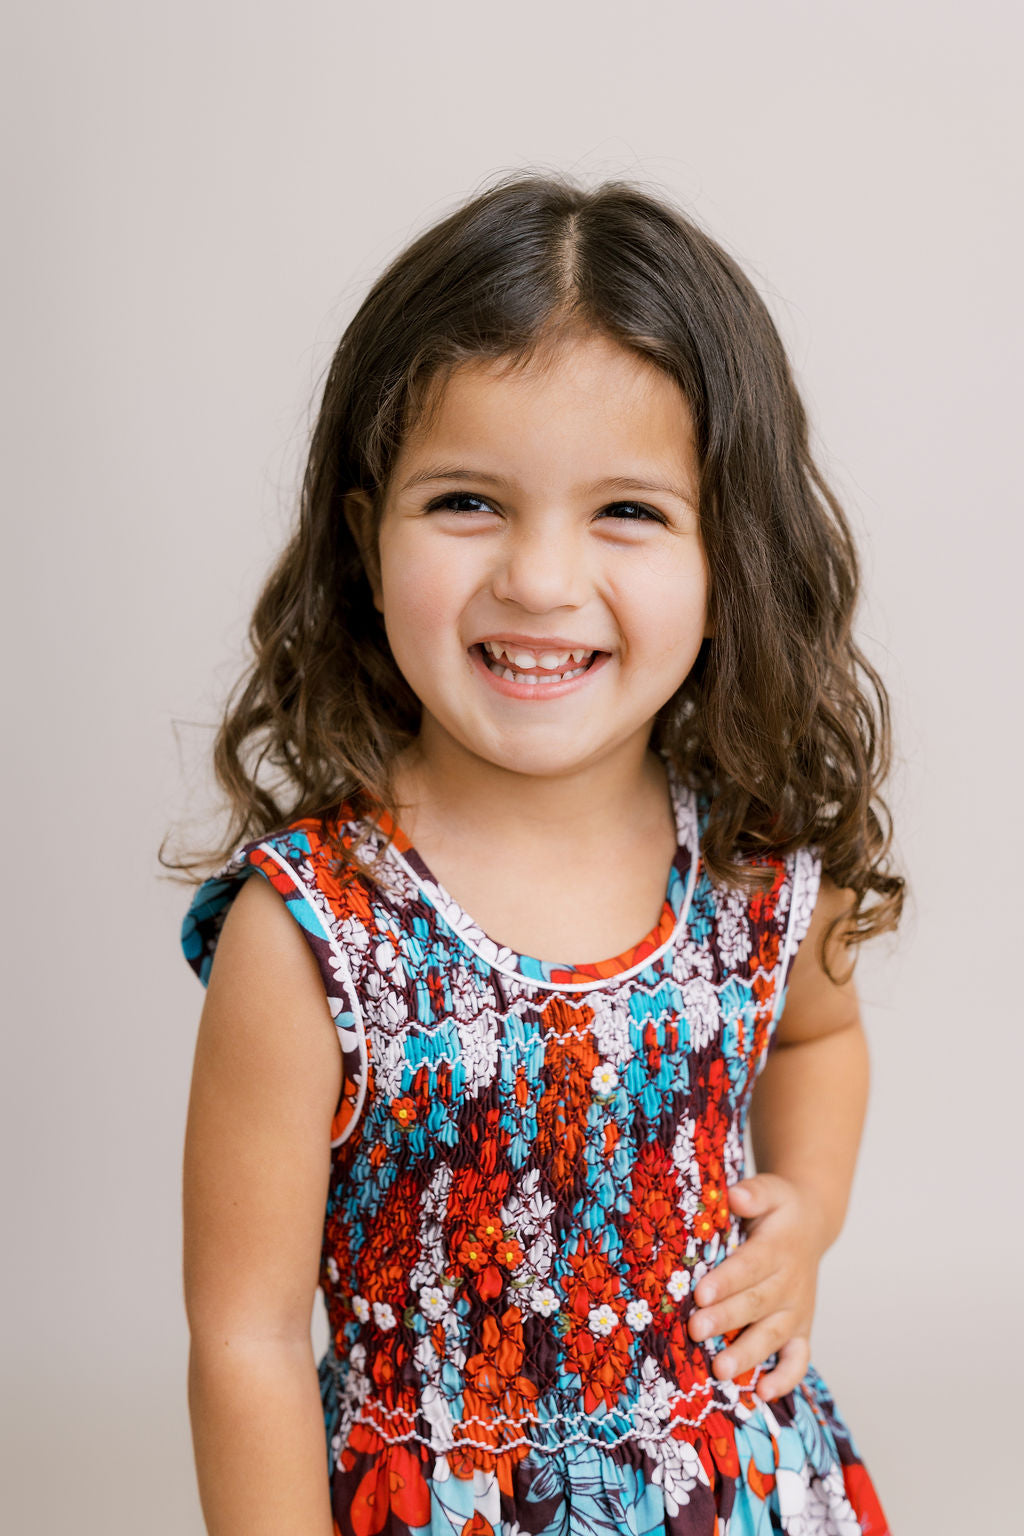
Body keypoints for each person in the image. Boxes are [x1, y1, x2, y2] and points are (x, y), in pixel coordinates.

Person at [170, 170, 904, 1536]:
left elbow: (817, 1039)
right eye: (467, 503)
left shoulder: (752, 872)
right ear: (363, 539)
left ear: (727, 556)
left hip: (739, 1490)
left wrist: (804, 1211)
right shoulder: (315, 934)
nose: (542, 580)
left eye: (627, 510)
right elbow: (247, 1342)